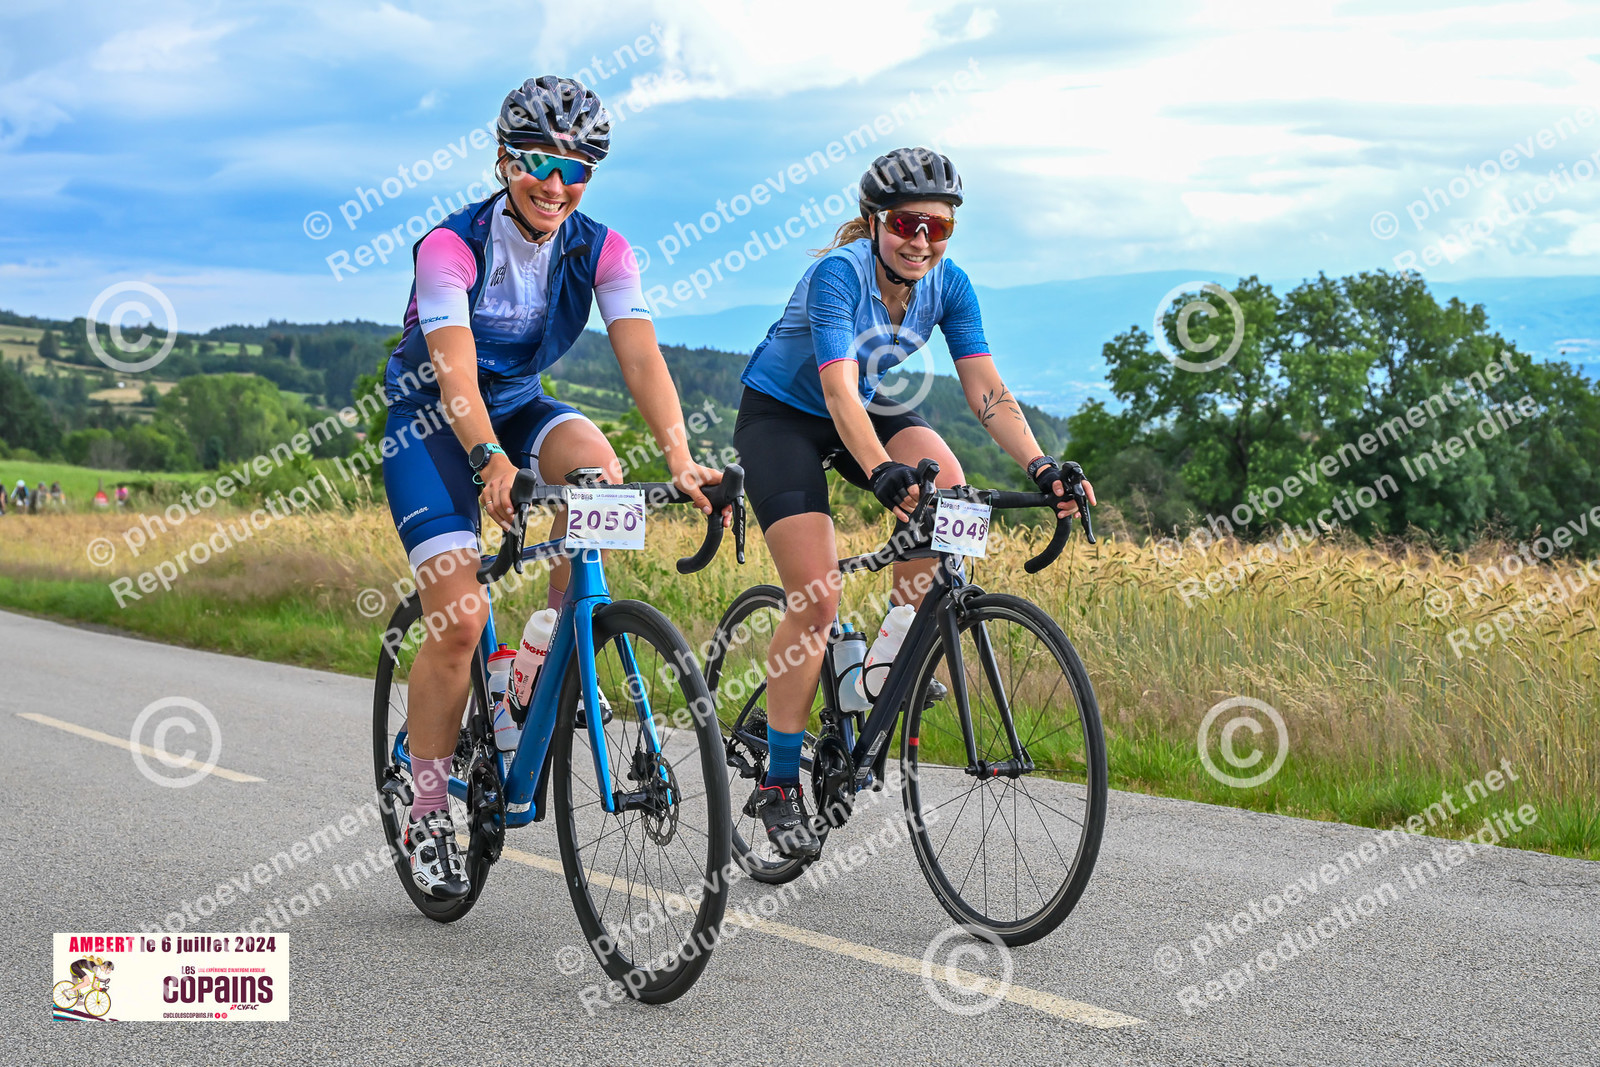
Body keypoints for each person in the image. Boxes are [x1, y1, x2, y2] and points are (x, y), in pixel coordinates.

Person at [381, 76, 725, 900]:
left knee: (598, 471)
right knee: (460, 621)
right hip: (432, 423)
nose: (557, 184)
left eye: (578, 169)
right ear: (505, 159)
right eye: (540, 162)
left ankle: (534, 665)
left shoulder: (602, 247)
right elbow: (455, 373)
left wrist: (681, 458)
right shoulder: (451, 246)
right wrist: (489, 460)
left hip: (519, 406)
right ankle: (424, 806)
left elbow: (639, 355)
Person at [732, 147, 1095, 859]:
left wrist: (1040, 464)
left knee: (947, 488)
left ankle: (888, 658)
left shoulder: (949, 285)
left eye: (939, 227)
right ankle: (778, 782)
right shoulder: (839, 276)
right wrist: (880, 471)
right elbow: (836, 390)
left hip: (865, 404)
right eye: (906, 223)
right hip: (783, 417)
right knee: (817, 597)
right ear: (874, 221)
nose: (922, 240)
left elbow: (985, 388)